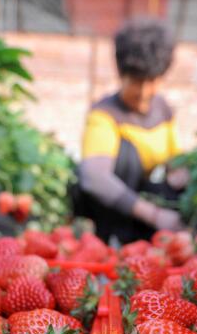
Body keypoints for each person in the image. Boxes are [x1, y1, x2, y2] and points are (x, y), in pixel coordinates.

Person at [75, 19, 189, 244]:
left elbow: (175, 159)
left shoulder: (163, 109)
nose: (144, 92)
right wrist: (155, 215)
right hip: (112, 210)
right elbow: (94, 177)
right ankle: (113, 240)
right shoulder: (104, 114)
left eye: (152, 81)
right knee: (127, 154)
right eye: (136, 82)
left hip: (144, 204)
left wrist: (179, 173)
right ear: (121, 74)